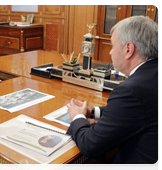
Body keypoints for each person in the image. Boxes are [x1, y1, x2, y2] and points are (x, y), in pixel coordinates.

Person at [66, 16, 159, 170]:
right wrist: (92, 112)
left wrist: (78, 117)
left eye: (112, 46)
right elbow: (134, 112)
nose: (110, 52)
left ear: (128, 49)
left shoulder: (131, 91)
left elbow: (90, 145)